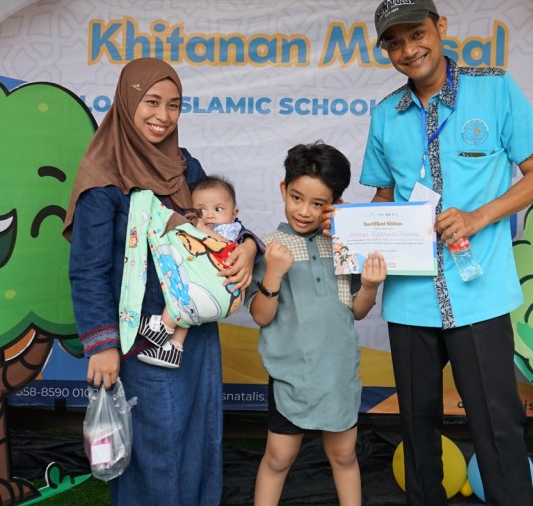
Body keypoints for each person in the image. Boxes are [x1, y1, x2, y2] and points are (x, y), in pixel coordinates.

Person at [360, 0, 533, 505]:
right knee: (416, 425)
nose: (409, 50)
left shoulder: (494, 89)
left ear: (441, 27)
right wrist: (360, 233)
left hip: (479, 292)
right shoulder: (386, 114)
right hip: (410, 297)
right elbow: (384, 196)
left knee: (498, 424)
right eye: (395, 43)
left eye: (417, 34)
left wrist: (478, 216)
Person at [63, 58, 259, 506]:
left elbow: (219, 222)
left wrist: (248, 247)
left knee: (200, 436)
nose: (163, 115)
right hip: (142, 337)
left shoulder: (185, 168)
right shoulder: (104, 180)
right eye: (151, 102)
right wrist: (102, 345)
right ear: (127, 101)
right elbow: (88, 270)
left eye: (174, 105)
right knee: (157, 446)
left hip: (195, 330)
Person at [247, 142, 387, 506]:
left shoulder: (344, 245)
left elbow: (357, 311)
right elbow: (260, 315)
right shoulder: (266, 247)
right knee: (278, 458)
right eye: (297, 198)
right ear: (283, 189)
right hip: (290, 377)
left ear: (335, 203)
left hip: (337, 376)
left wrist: (370, 285)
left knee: (344, 456)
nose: (304, 211)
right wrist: (273, 273)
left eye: (318, 203)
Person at [136, 175, 246, 368]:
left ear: (234, 213)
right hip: (217, 294)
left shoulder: (229, 229)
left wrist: (199, 226)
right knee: (189, 311)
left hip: (221, 286)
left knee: (182, 290)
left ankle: (163, 326)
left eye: (218, 209)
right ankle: (174, 348)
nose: (209, 215)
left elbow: (224, 245)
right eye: (201, 211)